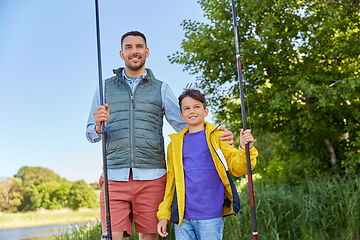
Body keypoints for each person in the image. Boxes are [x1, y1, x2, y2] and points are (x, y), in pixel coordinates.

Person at [86, 31, 234, 240]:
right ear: (121, 54)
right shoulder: (104, 87)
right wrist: (99, 127)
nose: (134, 51)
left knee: (149, 238)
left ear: (146, 52)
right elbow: (90, 133)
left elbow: (187, 123)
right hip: (114, 177)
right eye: (128, 47)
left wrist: (216, 133)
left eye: (139, 47)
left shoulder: (162, 89)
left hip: (152, 177)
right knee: (110, 237)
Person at [156, 88, 258, 240]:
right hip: (183, 218)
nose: (192, 111)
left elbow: (237, 168)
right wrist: (164, 214)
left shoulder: (217, 137)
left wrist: (244, 148)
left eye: (197, 106)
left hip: (210, 216)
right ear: (181, 115)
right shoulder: (174, 145)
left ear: (206, 111)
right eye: (187, 108)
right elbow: (171, 181)